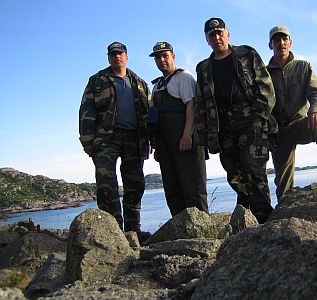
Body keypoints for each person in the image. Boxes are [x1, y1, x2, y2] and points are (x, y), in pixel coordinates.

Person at [195, 18, 277, 223]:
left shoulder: (246, 54)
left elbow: (266, 87)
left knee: (254, 168)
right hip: (223, 126)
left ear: (227, 34)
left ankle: (265, 219)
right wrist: (206, 135)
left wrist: (260, 116)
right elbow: (201, 103)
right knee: (234, 173)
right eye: (211, 35)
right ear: (207, 40)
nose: (217, 37)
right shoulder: (203, 67)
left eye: (220, 33)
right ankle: (245, 218)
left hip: (251, 119)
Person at [79, 42, 151, 241]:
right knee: (106, 183)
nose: (116, 57)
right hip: (106, 139)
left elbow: (148, 114)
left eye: (120, 53)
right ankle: (113, 233)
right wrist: (87, 140)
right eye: (112, 54)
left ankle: (133, 231)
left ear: (126, 56)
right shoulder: (97, 80)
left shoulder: (140, 83)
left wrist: (149, 142)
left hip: (133, 139)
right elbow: (86, 110)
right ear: (109, 58)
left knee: (135, 184)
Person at [267, 26, 317, 200]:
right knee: (283, 189)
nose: (281, 43)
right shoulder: (263, 74)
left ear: (290, 42)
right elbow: (262, 107)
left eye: (284, 39)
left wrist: (316, 110)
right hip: (277, 133)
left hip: (300, 124)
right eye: (276, 40)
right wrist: (269, 131)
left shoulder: (304, 67)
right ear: (270, 45)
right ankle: (284, 213)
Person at [148, 42, 208, 216]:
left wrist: (187, 135)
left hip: (184, 140)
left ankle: (203, 233)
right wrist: (157, 147)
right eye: (158, 57)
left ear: (173, 56)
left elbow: (191, 107)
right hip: (165, 144)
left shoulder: (184, 77)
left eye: (165, 56)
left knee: (193, 189)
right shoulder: (157, 85)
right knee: (173, 191)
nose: (161, 60)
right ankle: (179, 233)